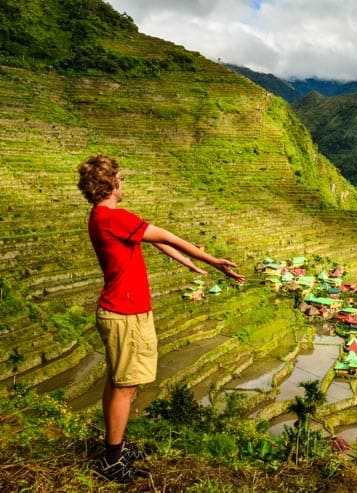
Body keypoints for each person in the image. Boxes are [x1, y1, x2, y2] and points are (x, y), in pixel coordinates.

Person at [77, 154, 245, 482]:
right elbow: (166, 236)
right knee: (126, 386)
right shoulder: (114, 217)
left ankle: (115, 447)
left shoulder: (102, 218)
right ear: (110, 183)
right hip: (125, 313)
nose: (123, 183)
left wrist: (189, 262)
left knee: (118, 382)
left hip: (119, 311)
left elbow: (155, 243)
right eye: (120, 178)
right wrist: (213, 261)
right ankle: (112, 459)